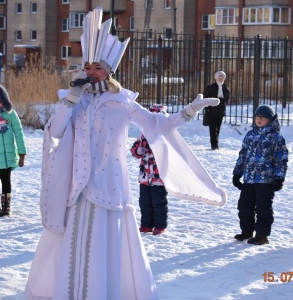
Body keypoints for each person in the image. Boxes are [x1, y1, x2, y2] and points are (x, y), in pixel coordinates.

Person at [25, 6, 226, 300]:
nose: (91, 72)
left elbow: (158, 125)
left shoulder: (123, 101)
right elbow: (54, 133)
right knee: (71, 244)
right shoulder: (73, 99)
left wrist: (190, 110)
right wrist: (70, 100)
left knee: (103, 245)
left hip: (109, 186)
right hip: (75, 186)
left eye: (98, 67)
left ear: (110, 70)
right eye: (88, 66)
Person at [232, 104, 288, 245]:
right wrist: (237, 173)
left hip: (265, 180)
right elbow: (243, 155)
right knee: (244, 205)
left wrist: (278, 178)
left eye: (263, 118)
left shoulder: (276, 137)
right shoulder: (250, 135)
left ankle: (262, 235)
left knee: (263, 208)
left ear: (270, 120)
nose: (259, 120)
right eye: (258, 117)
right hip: (249, 179)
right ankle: (247, 231)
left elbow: (281, 159)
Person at [130, 105, 168, 236]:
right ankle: (146, 224)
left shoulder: (166, 136)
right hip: (145, 176)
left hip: (159, 177)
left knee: (159, 202)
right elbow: (134, 149)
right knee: (144, 202)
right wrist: (137, 151)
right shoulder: (143, 135)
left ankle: (160, 225)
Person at [0, 82, 27, 217]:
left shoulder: (10, 114)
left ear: (3, 99)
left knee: (6, 181)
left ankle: (6, 207)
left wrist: (22, 153)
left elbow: (18, 133)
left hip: (8, 157)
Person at [203, 71, 230, 150]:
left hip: (220, 112)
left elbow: (226, 99)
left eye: (222, 77)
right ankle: (214, 145)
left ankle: (216, 143)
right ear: (216, 78)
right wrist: (207, 108)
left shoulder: (226, 89)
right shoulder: (210, 87)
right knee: (213, 128)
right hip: (211, 111)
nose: (220, 79)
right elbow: (205, 98)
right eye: (219, 77)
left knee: (218, 128)